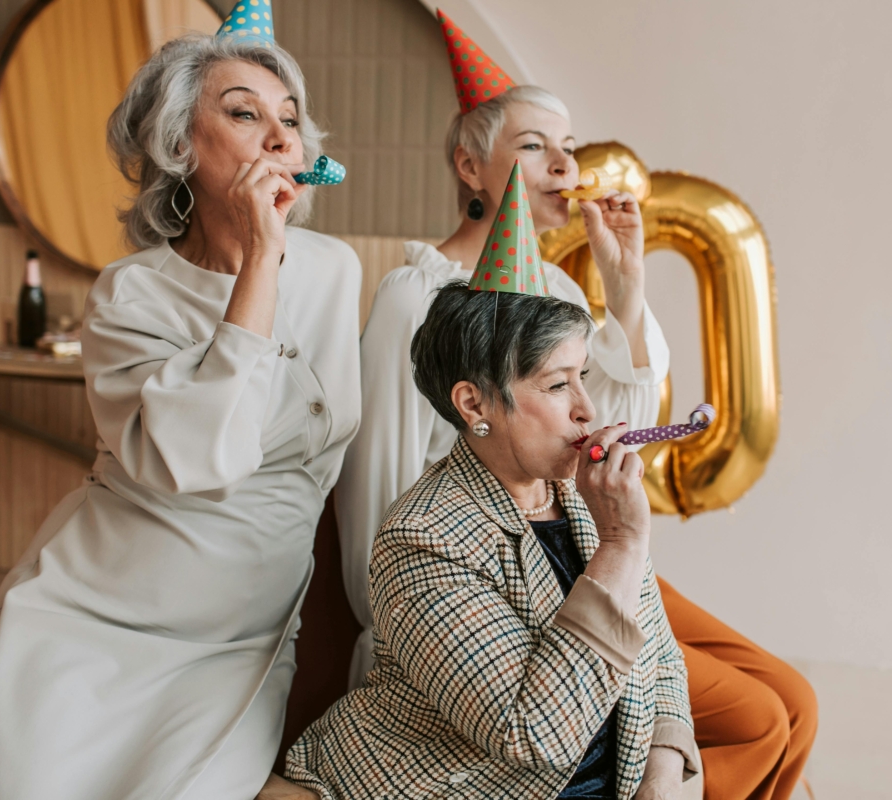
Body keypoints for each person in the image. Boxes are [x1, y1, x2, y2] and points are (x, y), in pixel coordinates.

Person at [333, 11, 816, 800]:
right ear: (469, 164)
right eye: (535, 146)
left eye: (568, 145)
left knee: (791, 701)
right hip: (477, 577)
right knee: (758, 718)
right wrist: (416, 620)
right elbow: (380, 488)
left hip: (576, 527)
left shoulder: (557, 289)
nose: (565, 163)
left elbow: (606, 422)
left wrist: (624, 288)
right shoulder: (415, 297)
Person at [0, 9, 360, 800]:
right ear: (178, 147)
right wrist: (262, 262)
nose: (278, 138)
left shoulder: (335, 271)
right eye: (243, 113)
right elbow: (205, 458)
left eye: (291, 121)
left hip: (240, 639)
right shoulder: (131, 296)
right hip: (98, 621)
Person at [288, 271, 701, 800]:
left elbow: (659, 659)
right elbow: (533, 734)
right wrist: (623, 544)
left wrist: (661, 779)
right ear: (474, 405)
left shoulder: (582, 496)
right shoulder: (422, 538)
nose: (588, 408)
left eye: (584, 376)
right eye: (557, 384)